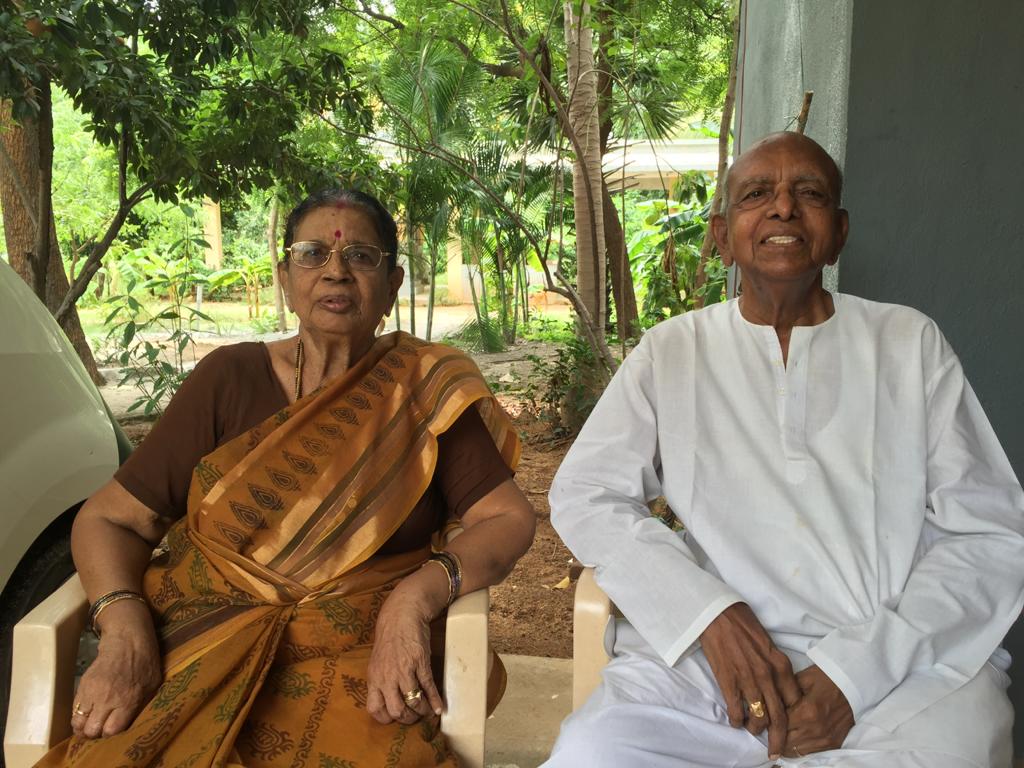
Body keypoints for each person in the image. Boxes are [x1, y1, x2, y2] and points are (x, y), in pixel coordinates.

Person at [544, 132, 1024, 767]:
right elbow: (585, 493)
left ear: (841, 230)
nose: (783, 209)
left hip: (894, 671)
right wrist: (706, 614)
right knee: (595, 754)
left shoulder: (909, 344)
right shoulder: (671, 351)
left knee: (959, 748)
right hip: (705, 670)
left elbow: (988, 531)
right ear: (721, 235)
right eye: (756, 194)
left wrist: (855, 675)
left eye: (810, 193)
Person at [37, 189, 535, 767]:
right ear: (284, 275)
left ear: (394, 282)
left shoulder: (425, 388)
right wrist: (123, 629)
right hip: (201, 642)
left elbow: (506, 519)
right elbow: (110, 519)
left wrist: (413, 600)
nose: (336, 273)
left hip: (357, 650)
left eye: (361, 257)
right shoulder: (229, 378)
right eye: (312, 253)